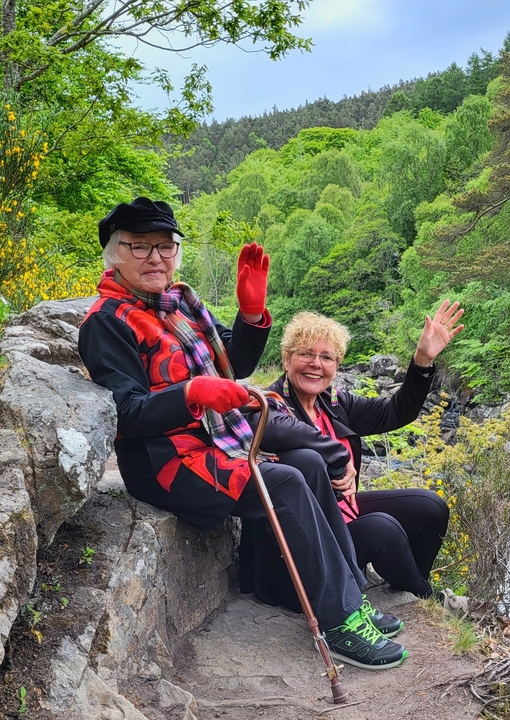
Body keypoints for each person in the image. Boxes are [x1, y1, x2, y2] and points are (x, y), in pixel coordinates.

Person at [77, 197, 407, 670]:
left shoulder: (182, 304)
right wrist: (192, 392)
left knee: (309, 463)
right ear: (115, 255)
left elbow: (235, 366)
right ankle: (339, 623)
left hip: (215, 442)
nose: (155, 258)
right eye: (139, 247)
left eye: (165, 247)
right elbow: (125, 415)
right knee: (288, 480)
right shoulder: (107, 322)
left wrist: (251, 316)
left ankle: (350, 595)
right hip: (165, 461)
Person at [241, 302, 463, 611]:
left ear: (336, 365)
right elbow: (274, 430)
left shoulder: (332, 403)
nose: (315, 364)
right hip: (295, 547)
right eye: (305, 354)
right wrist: (337, 455)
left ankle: (407, 589)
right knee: (381, 528)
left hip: (343, 514)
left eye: (326, 357)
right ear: (286, 359)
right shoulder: (270, 403)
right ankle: (427, 596)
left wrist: (422, 360)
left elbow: (396, 411)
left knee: (430, 507)